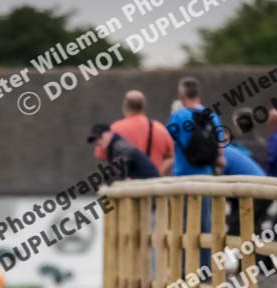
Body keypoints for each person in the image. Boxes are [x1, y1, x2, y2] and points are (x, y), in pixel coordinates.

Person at [166, 77, 225, 269]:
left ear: (182, 95)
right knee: (205, 226)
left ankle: (184, 269)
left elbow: (166, 145)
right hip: (205, 177)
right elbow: (220, 153)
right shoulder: (212, 116)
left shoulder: (178, 116)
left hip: (183, 177)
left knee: (182, 226)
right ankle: (204, 269)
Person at [108, 90, 174, 175]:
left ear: (125, 107)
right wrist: (160, 171)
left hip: (126, 184)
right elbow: (172, 156)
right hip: (153, 184)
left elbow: (101, 154)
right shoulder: (159, 129)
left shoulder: (115, 129)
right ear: (143, 107)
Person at [87, 123, 159, 181]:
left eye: (100, 137)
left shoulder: (120, 146)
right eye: (96, 140)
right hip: (146, 182)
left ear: (109, 133)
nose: (98, 141)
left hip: (150, 184)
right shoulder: (115, 145)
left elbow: (119, 172)